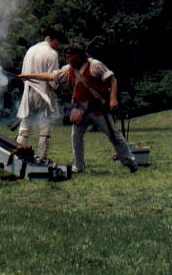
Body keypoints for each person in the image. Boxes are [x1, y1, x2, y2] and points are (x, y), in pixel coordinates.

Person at [18, 43, 138, 174]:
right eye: (67, 56)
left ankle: (130, 162)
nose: (68, 59)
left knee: (114, 135)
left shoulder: (95, 65)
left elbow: (112, 80)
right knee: (76, 139)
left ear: (79, 56)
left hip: (98, 108)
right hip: (80, 109)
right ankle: (78, 167)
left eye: (70, 57)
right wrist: (29, 76)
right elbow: (51, 76)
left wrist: (113, 99)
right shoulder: (68, 70)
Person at [15, 28, 69, 163]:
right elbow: (52, 80)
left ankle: (19, 157)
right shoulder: (52, 54)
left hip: (28, 91)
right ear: (53, 40)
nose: (59, 46)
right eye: (59, 43)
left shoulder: (30, 50)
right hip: (44, 93)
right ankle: (42, 158)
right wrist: (59, 84)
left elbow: (24, 73)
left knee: (25, 128)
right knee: (45, 128)